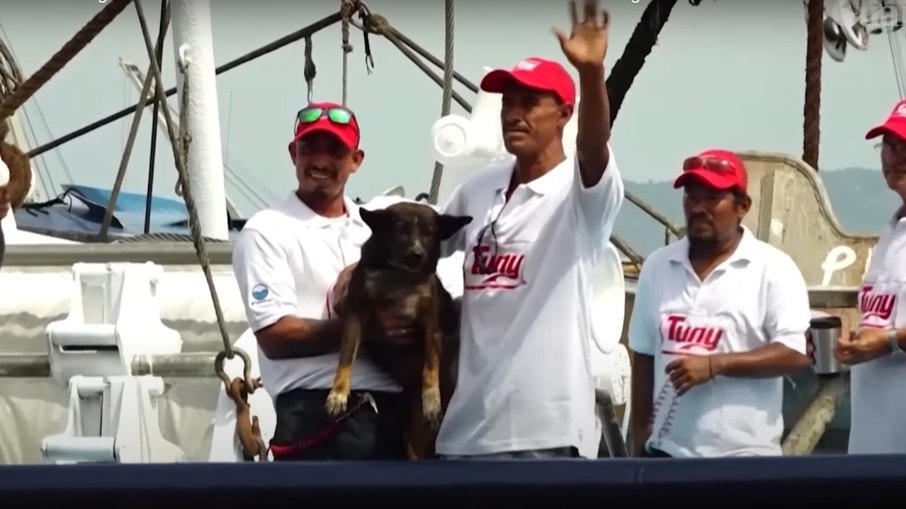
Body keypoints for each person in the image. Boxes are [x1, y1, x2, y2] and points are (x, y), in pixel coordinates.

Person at [434, 0, 625, 460]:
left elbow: (594, 146)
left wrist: (592, 73)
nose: (513, 113)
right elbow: (423, 246)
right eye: (508, 102)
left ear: (563, 113)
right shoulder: (477, 188)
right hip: (464, 436)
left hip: (547, 437)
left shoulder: (581, 194)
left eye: (529, 103)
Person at [233, 101, 455, 460]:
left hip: (397, 414)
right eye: (309, 149)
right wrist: (368, 326)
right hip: (316, 415)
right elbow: (274, 337)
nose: (320, 161)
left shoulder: (383, 226)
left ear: (356, 159)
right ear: (294, 153)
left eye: (335, 150)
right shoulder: (266, 231)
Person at [627, 149, 812, 458]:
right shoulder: (657, 266)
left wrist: (715, 366)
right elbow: (643, 355)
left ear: (742, 206)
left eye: (712, 198)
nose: (698, 208)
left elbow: (796, 352)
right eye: (691, 196)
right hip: (666, 455)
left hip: (744, 459)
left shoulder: (773, 268)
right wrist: (639, 440)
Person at [837, 100, 906, 454]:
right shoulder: (891, 232)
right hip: (873, 452)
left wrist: (888, 341)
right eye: (888, 144)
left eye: (904, 145)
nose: (893, 155)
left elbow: (888, 335)